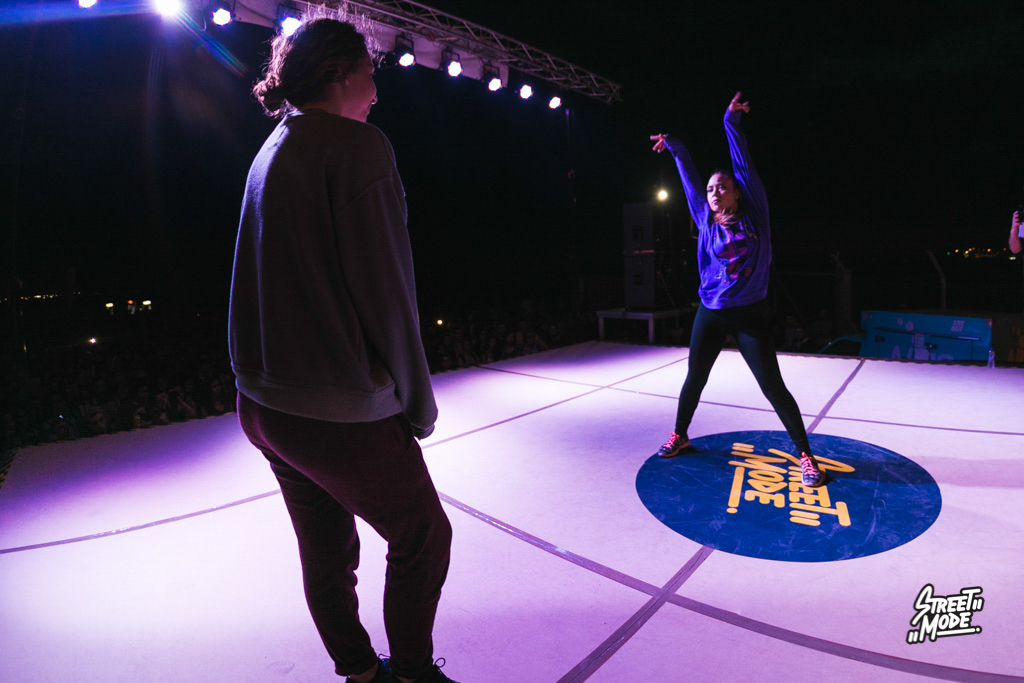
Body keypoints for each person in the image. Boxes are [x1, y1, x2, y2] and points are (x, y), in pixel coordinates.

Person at [228, 15, 457, 683]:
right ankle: (411, 673)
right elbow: (386, 286)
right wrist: (416, 403)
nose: (376, 91)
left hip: (263, 404)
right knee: (423, 535)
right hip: (336, 410)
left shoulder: (271, 149)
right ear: (337, 74)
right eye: (369, 73)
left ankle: (359, 671)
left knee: (325, 550)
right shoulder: (358, 147)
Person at [649, 92, 825, 487]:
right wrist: (675, 146)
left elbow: (743, 164)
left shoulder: (755, 214)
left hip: (749, 316)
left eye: (722, 187)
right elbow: (688, 177)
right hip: (710, 312)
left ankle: (806, 456)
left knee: (772, 387)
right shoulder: (704, 218)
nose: (714, 192)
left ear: (736, 191)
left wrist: (730, 122)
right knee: (695, 377)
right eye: (711, 188)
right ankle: (680, 435)